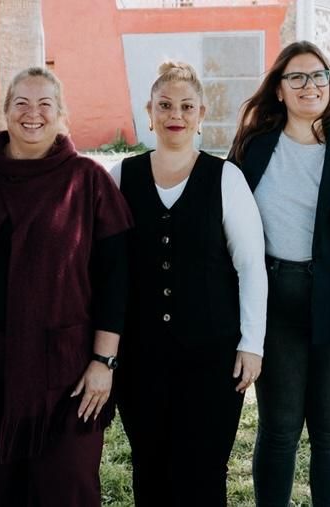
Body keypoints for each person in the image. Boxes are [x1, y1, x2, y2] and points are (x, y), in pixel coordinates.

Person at [0, 67, 133, 507]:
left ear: (62, 115)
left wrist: (104, 360)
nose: (32, 114)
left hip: (64, 378)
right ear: (4, 111)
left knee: (67, 491)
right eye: (21, 103)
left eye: (45, 104)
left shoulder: (87, 181)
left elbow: (116, 278)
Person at [227, 41, 330, 507]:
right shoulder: (252, 149)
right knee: (279, 429)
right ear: (279, 91)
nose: (309, 85)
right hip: (274, 300)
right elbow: (229, 227)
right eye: (297, 77)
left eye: (318, 75)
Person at [108, 61, 267, 505]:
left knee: (202, 472)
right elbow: (104, 265)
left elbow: (251, 266)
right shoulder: (121, 176)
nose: (175, 114)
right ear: (150, 112)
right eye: (165, 105)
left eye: (186, 105)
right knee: (150, 469)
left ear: (201, 114)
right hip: (140, 357)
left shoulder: (226, 179)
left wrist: (252, 344)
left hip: (213, 357)